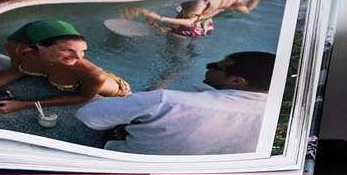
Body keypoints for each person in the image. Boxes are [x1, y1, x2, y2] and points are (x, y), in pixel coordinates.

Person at [69, 50, 275, 158]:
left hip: (133, 163)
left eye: (216, 66)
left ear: (236, 81)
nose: (209, 66)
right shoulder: (279, 121)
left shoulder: (167, 101)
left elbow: (88, 115)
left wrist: (134, 116)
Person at [0, 15, 133, 121]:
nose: (79, 58)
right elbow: (19, 69)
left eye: (83, 51)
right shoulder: (23, 51)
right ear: (39, 47)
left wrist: (23, 105)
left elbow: (82, 97)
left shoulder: (92, 74)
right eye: (68, 51)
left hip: (116, 93)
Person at [132, 0, 264, 41]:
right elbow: (246, 10)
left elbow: (190, 22)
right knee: (189, 51)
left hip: (187, 31)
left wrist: (160, 17)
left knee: (174, 59)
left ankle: (163, 82)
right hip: (204, 27)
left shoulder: (202, 2)